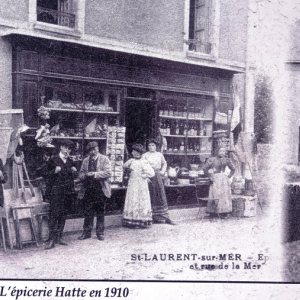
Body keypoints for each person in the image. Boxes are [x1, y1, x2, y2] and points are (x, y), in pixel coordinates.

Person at [45, 140, 78, 250]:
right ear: (61, 147)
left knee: (63, 214)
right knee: (54, 215)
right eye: (66, 148)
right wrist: (54, 171)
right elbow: (45, 175)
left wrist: (74, 171)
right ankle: (51, 239)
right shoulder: (53, 160)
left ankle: (59, 237)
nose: (68, 150)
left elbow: (73, 177)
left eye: (69, 148)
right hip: (56, 192)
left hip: (67, 192)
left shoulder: (70, 161)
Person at [78, 141, 111, 241]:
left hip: (100, 188)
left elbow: (108, 173)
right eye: (91, 150)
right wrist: (83, 176)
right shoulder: (85, 161)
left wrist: (95, 174)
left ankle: (100, 233)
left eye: (95, 149)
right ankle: (86, 232)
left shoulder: (104, 159)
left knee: (100, 211)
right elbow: (81, 173)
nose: (93, 151)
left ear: (98, 148)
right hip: (88, 189)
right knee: (88, 211)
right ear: (88, 152)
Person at [142, 139, 175, 225]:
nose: (151, 147)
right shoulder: (145, 155)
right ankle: (150, 217)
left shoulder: (159, 155)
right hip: (149, 176)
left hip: (157, 176)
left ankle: (164, 216)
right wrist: (146, 176)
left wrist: (162, 171)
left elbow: (164, 163)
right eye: (149, 146)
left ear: (156, 146)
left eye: (153, 145)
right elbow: (142, 166)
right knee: (150, 195)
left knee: (160, 194)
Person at [122, 143, 155, 229]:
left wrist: (145, 175)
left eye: (134, 151)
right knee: (133, 199)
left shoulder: (143, 162)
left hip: (141, 184)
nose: (132, 152)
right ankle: (132, 220)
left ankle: (140, 220)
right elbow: (124, 166)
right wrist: (127, 170)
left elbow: (152, 173)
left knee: (140, 200)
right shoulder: (131, 161)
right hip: (132, 183)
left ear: (138, 153)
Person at [203, 145, 235, 218]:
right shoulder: (212, 159)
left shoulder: (227, 160)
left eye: (224, 151)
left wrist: (228, 177)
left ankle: (223, 212)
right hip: (215, 179)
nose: (222, 152)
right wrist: (210, 176)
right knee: (214, 194)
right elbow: (205, 168)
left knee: (224, 195)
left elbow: (233, 169)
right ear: (217, 151)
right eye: (220, 151)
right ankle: (213, 212)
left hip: (223, 180)